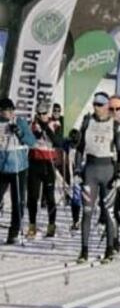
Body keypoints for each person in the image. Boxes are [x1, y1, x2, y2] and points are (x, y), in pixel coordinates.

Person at [73, 93, 120, 263]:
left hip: (108, 171)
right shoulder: (88, 122)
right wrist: (76, 170)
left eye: (101, 105)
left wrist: (119, 174)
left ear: (107, 106)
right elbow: (80, 149)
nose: (97, 107)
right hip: (90, 171)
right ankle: (84, 251)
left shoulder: (115, 125)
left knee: (109, 212)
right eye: (95, 104)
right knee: (87, 212)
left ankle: (110, 249)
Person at [0, 98, 36, 244]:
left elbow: (31, 141)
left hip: (18, 168)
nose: (8, 113)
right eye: (5, 111)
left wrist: (19, 132)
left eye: (10, 110)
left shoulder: (19, 122)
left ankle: (13, 232)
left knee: (18, 202)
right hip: (2, 168)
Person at [27, 101, 62, 238]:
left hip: (48, 163)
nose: (42, 116)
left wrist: (46, 128)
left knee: (49, 197)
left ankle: (51, 225)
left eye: (44, 113)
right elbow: (31, 139)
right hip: (35, 163)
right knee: (33, 197)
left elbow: (57, 141)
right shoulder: (33, 124)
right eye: (39, 113)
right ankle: (32, 225)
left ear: (48, 113)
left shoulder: (55, 124)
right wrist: (37, 130)